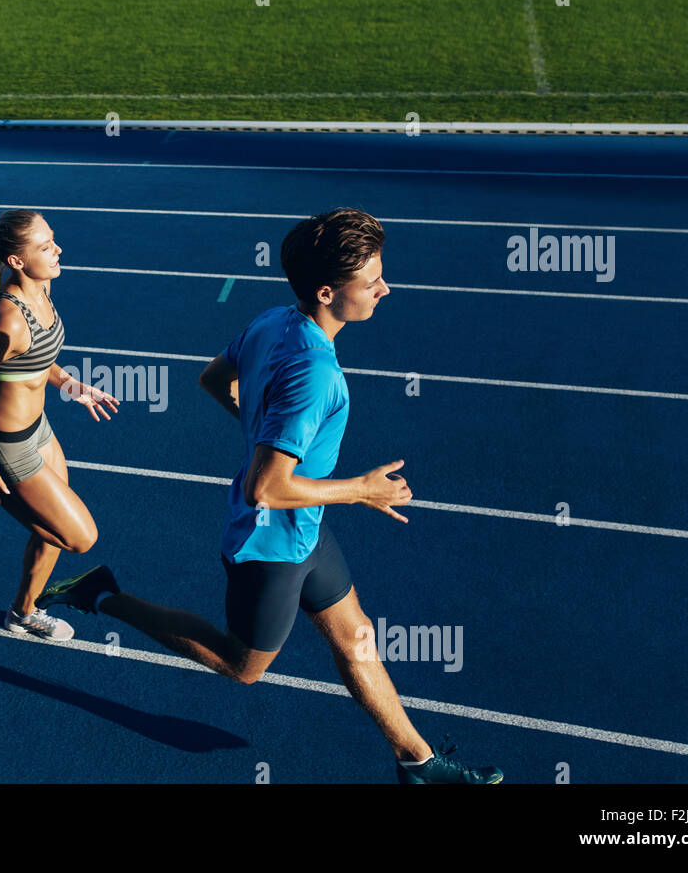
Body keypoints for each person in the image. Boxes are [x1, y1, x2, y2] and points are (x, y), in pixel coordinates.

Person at [38, 209, 504, 784]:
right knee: (243, 667)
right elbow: (267, 486)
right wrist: (361, 489)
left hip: (305, 524)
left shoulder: (274, 322)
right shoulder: (316, 373)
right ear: (328, 292)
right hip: (270, 543)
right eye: (372, 281)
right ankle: (104, 595)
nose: (386, 287)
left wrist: (264, 432)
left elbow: (212, 378)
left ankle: (419, 763)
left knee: (357, 637)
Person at [0, 196, 119, 641]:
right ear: (18, 260)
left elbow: (39, 360)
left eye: (54, 241)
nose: (57, 250)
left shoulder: (43, 288)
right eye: (46, 246)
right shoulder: (7, 321)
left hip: (39, 429)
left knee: (51, 534)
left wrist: (70, 385)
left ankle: (22, 612)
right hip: (6, 444)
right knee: (79, 538)